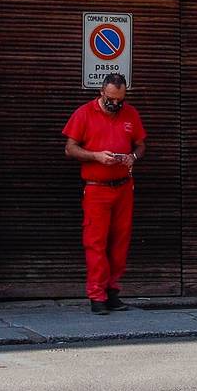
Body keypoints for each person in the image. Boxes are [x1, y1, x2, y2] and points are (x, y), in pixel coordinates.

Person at [63, 73, 147, 315]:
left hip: (123, 187)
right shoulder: (84, 113)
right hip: (96, 187)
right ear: (101, 93)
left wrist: (132, 157)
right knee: (96, 242)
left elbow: (141, 144)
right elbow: (70, 149)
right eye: (111, 99)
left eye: (120, 100)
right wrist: (96, 156)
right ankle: (97, 296)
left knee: (120, 242)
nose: (115, 104)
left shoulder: (130, 113)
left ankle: (112, 292)